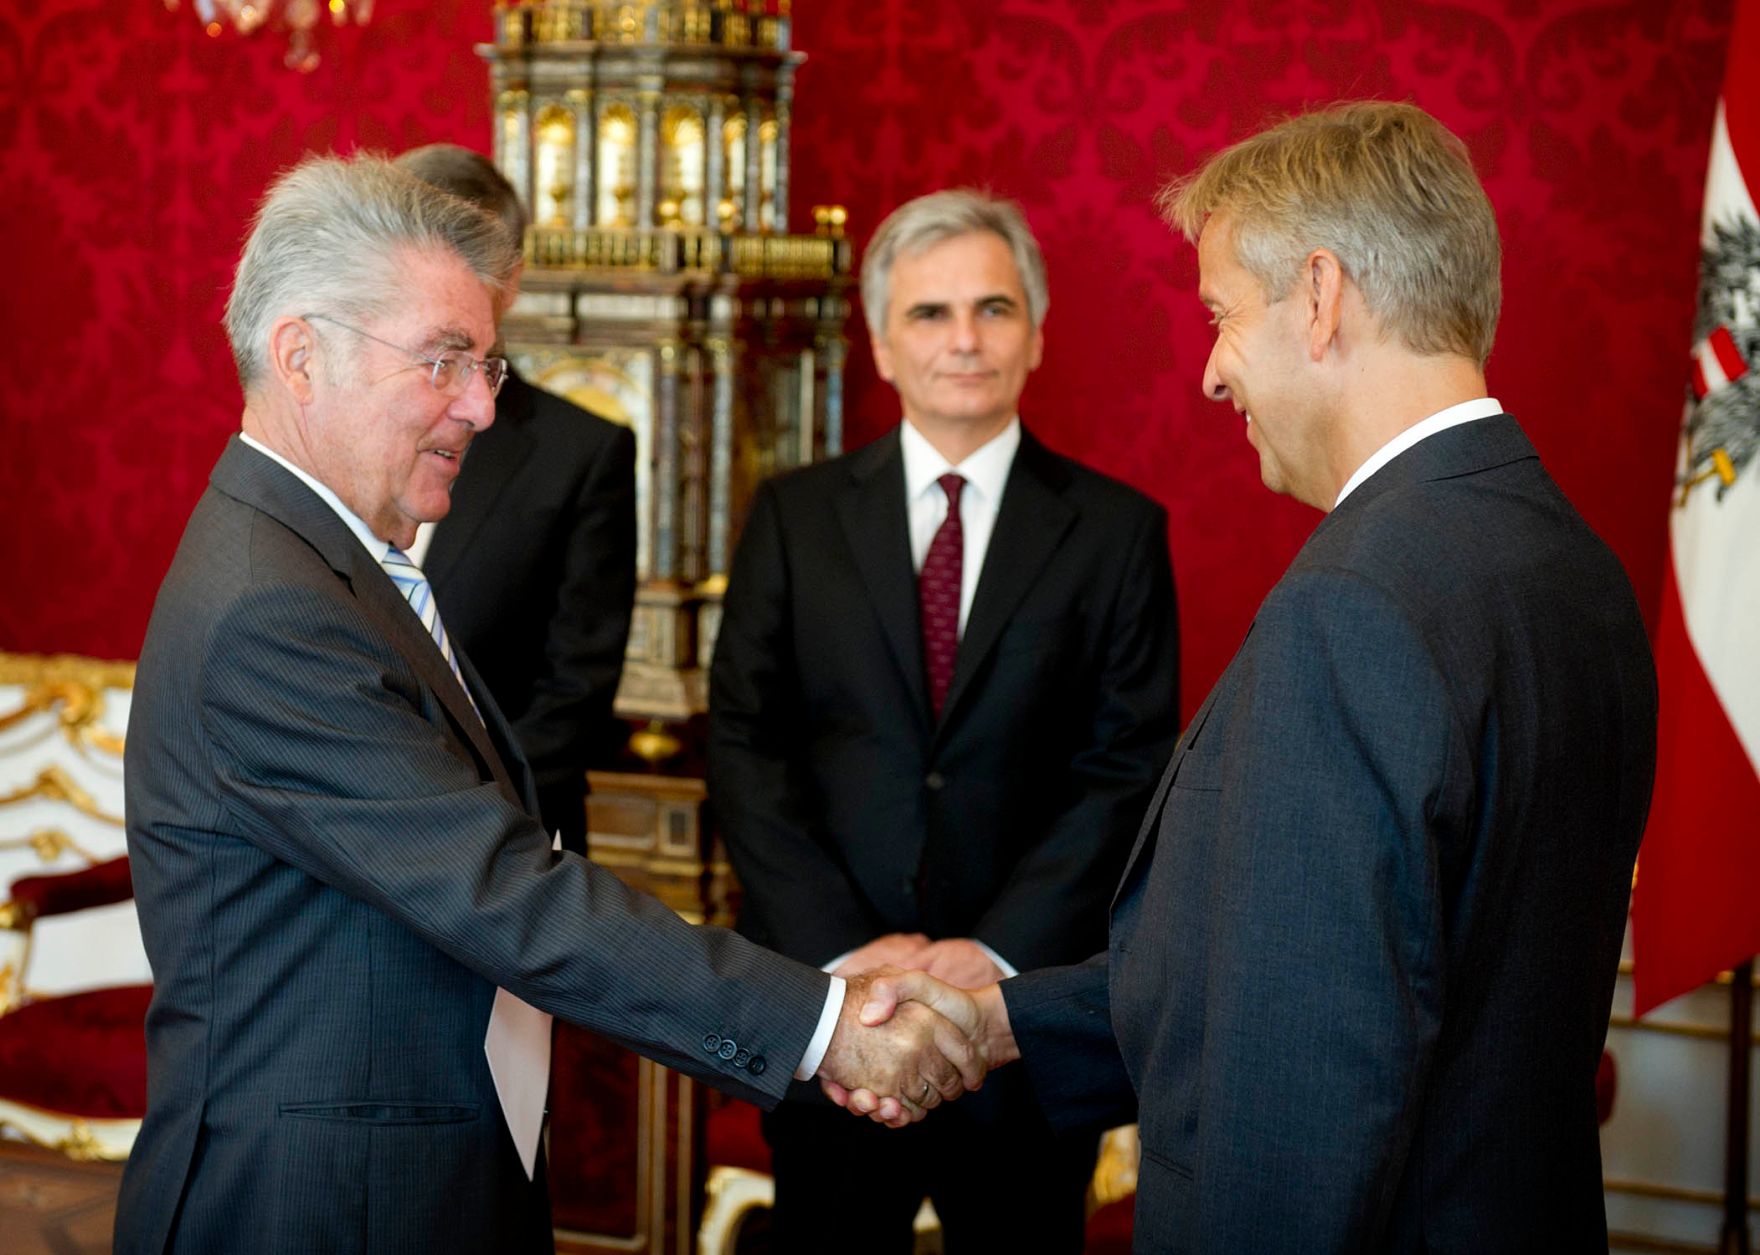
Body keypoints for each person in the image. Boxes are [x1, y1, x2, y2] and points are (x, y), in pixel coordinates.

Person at [114, 152, 984, 1255]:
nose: (482, 406)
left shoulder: (327, 560)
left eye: (486, 365)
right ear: (301, 355)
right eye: (443, 361)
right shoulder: (271, 607)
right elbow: (500, 889)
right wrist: (821, 1025)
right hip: (317, 1201)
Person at [851, 101, 1659, 1251]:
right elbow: (1318, 967)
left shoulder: (1352, 605)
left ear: (1318, 296)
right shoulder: (1569, 557)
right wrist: (1000, 1022)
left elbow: (1301, 1080)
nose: (1210, 373)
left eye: (1220, 314)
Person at [707, 188, 1181, 1254]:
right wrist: (848, 953)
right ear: (881, 343)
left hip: (1023, 1024)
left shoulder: (1116, 533)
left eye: (992, 308)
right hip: (831, 1013)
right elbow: (744, 742)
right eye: (929, 312)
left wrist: (988, 956)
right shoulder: (792, 517)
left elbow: (1127, 765)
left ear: (1035, 333)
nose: (964, 339)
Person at [392, 143, 635, 855]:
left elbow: (574, 696)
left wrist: (447, 820)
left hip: (510, 848)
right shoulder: (340, 424)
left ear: (511, 280)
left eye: (465, 262)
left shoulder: (580, 453)